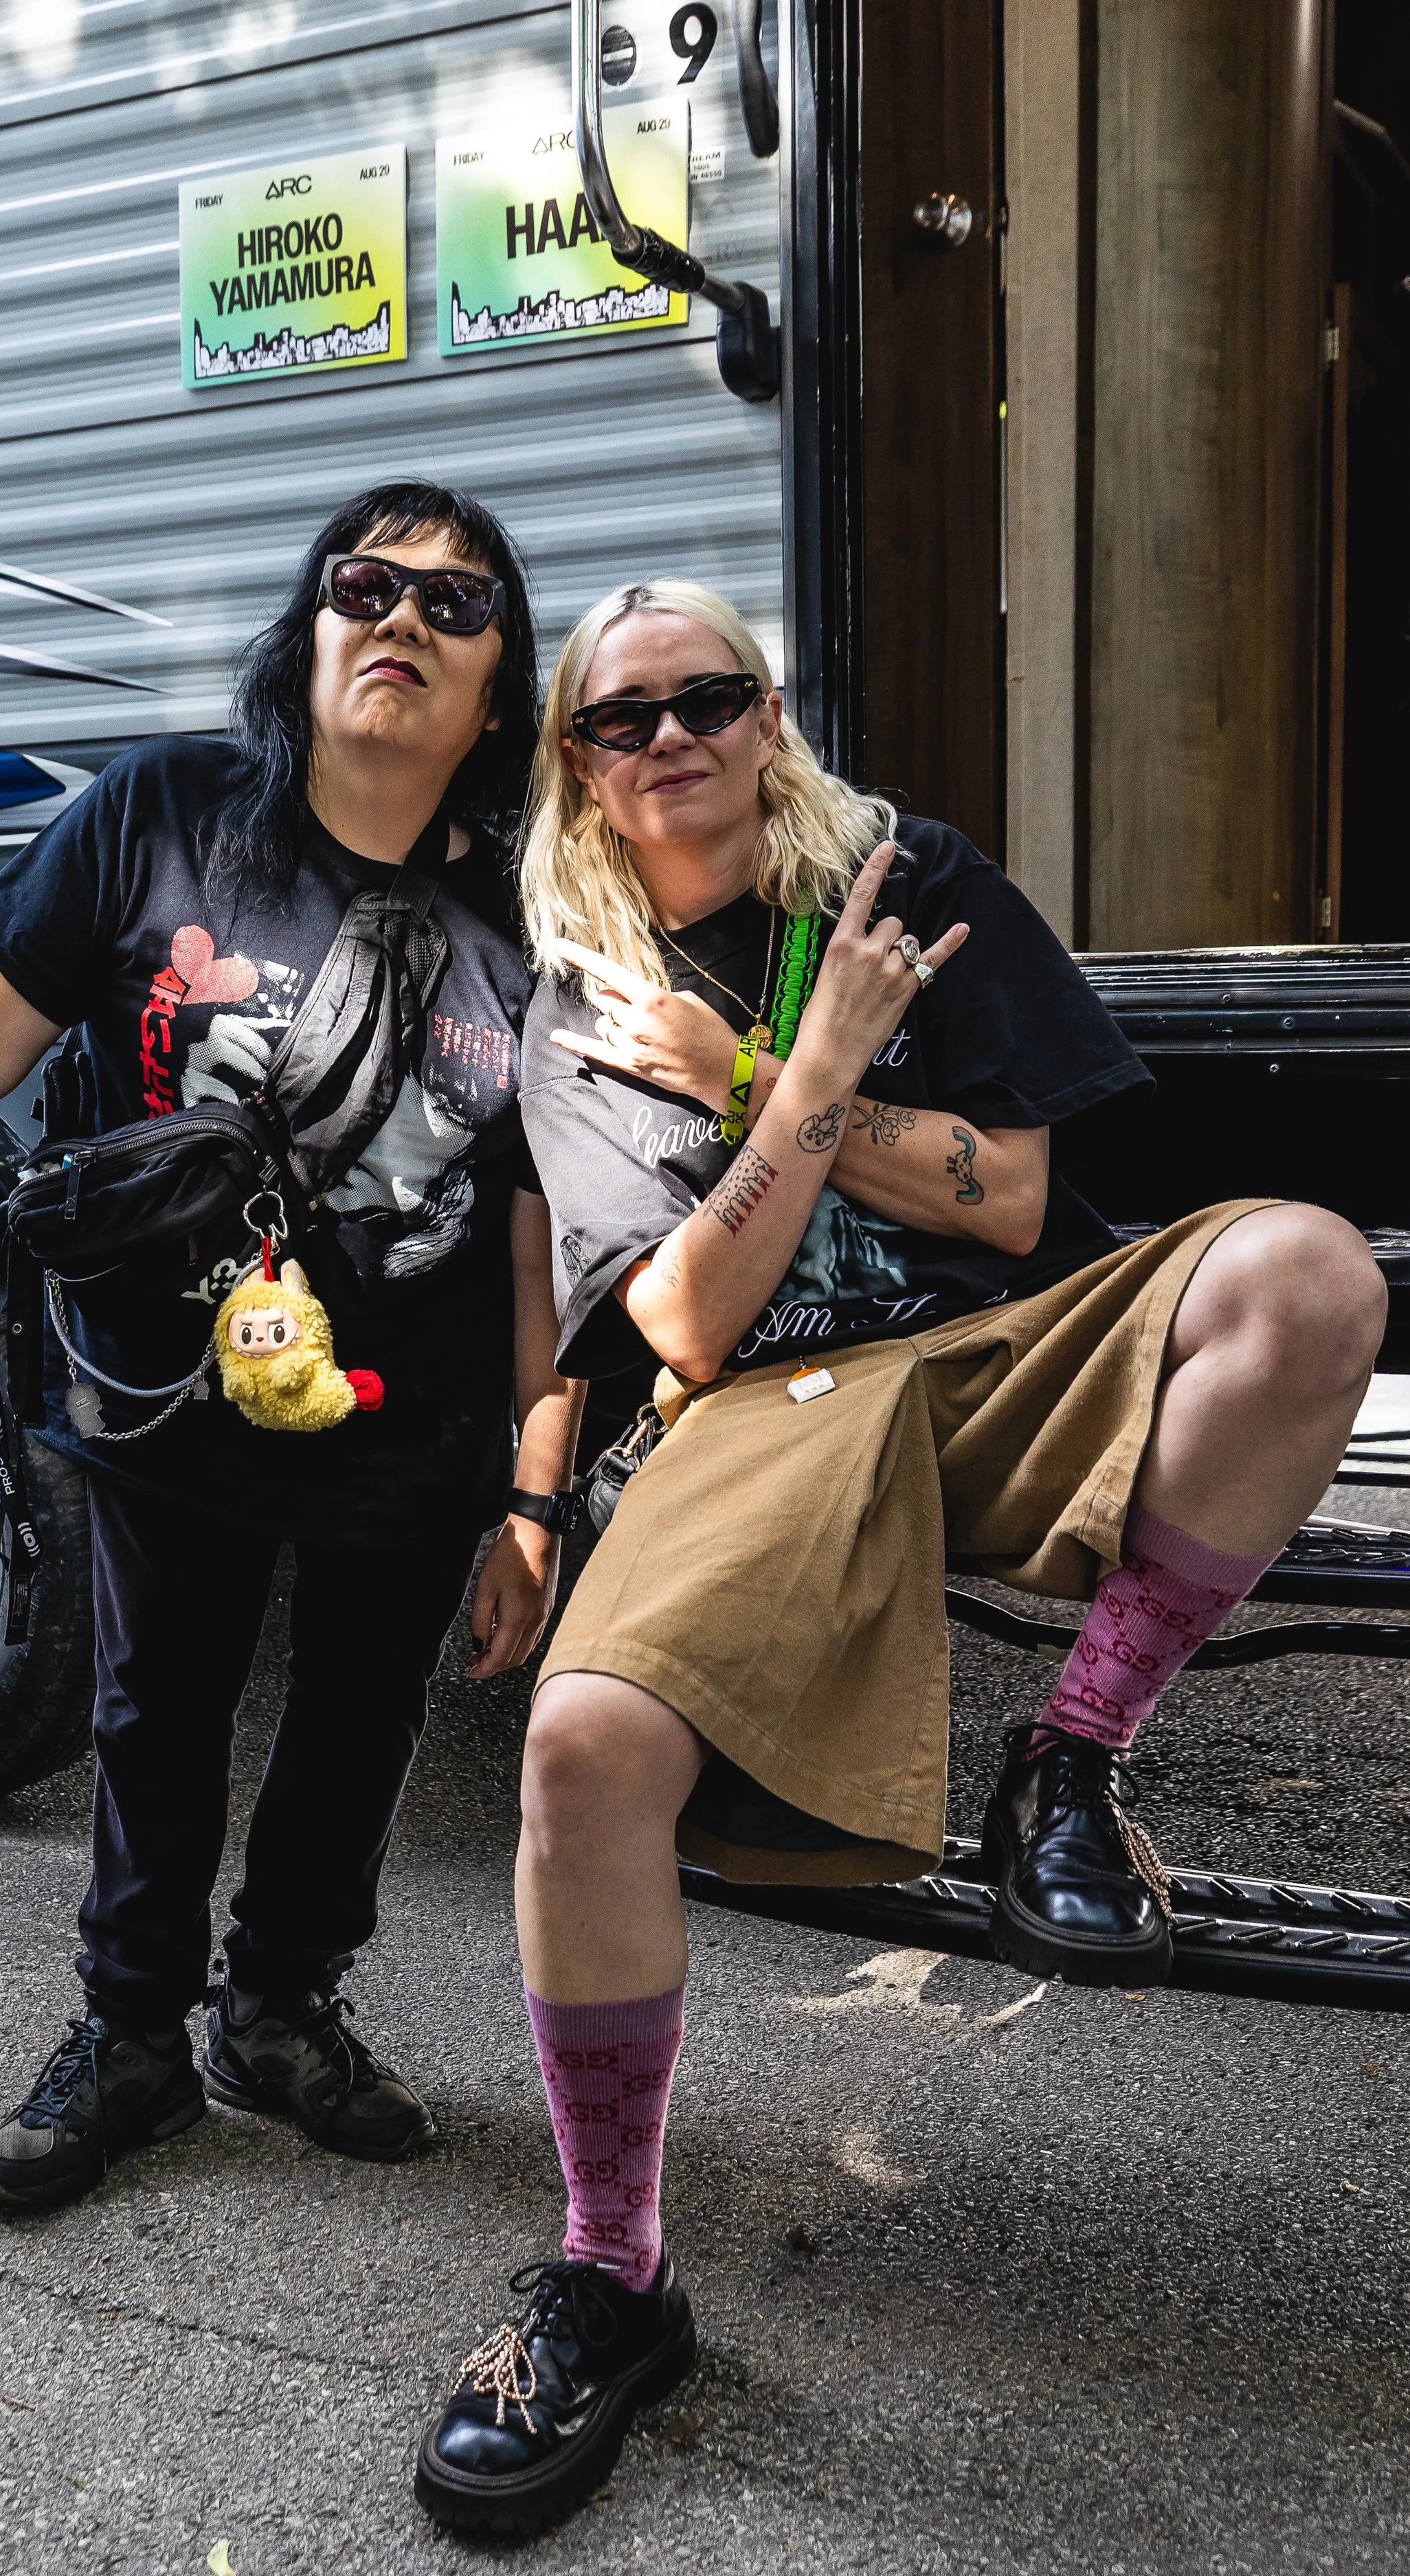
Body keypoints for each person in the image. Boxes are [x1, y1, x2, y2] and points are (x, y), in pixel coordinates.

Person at [412, 578, 1386, 2536]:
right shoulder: (578, 998)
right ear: (580, 775)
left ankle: (1074, 1763)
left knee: (1303, 1267)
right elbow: (681, 1323)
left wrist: (804, 1072)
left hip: (990, 1349)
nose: (671, 733)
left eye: (711, 694)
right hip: (761, 1403)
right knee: (582, 1751)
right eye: (622, 718)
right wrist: (794, 1082)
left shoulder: (896, 878)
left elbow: (1013, 1195)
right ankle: (610, 2267)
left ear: (767, 717)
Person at [0, 480, 585, 2211]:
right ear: (312, 632)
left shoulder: (532, 910)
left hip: (411, 1409)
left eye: (456, 603)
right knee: (154, 1711)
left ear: (499, 686)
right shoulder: (161, 817)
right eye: (366, 585)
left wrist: (530, 1494)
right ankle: (130, 2031)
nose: (401, 621)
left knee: (357, 1724)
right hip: (164, 1380)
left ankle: (277, 2012)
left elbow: (534, 1234)